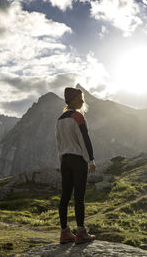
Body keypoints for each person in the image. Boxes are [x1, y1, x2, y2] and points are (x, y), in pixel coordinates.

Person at [55, 87, 96, 244]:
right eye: (80, 99)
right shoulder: (77, 117)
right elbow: (85, 140)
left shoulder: (59, 119)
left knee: (65, 196)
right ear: (71, 100)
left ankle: (64, 232)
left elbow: (59, 142)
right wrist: (90, 160)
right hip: (78, 160)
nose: (82, 101)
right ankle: (81, 232)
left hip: (65, 160)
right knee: (79, 197)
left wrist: (62, 159)